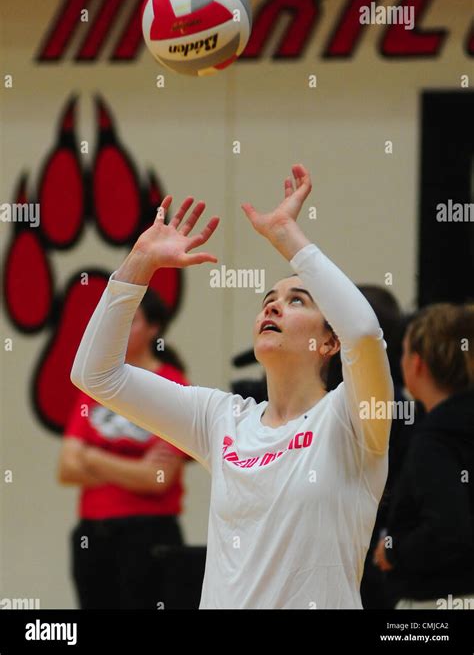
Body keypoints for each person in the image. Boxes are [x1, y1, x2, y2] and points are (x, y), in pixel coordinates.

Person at [71, 164, 393, 609]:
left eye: (296, 300)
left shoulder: (352, 418)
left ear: (329, 340)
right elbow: (95, 375)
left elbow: (363, 332)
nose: (274, 308)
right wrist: (140, 263)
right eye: (269, 301)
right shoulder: (222, 418)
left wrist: (287, 237)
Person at [59, 288, 190, 609]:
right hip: (93, 534)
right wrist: (132, 467)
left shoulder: (173, 385)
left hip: (148, 535)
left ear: (154, 328)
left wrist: (91, 457)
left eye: (131, 321)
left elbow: (158, 477)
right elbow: (66, 468)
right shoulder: (96, 385)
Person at [373, 303, 474, 609]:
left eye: (403, 352)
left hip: (441, 599)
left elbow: (449, 531)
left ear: (416, 364)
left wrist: (393, 552)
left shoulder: (435, 437)